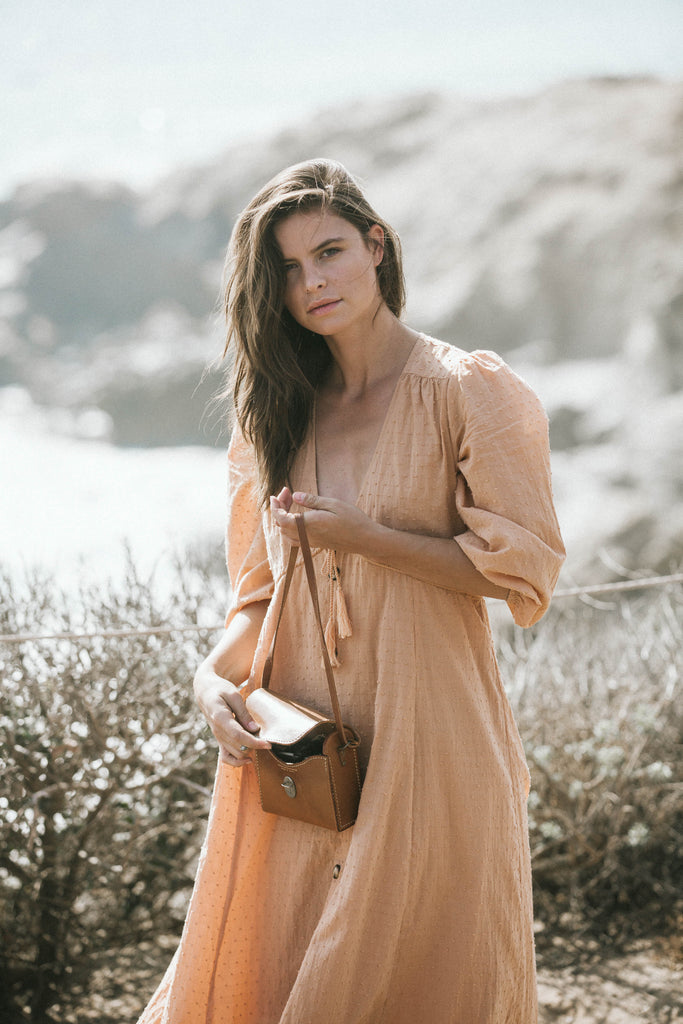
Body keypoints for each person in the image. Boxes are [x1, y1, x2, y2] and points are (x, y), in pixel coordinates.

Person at [138, 158, 565, 1024]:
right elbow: (257, 593)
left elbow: (522, 570)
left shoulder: (468, 392)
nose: (313, 282)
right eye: (289, 270)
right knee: (281, 959)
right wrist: (209, 682)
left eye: (329, 251)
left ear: (376, 246)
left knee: (421, 971)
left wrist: (363, 539)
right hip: (299, 735)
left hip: (429, 727)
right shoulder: (275, 409)